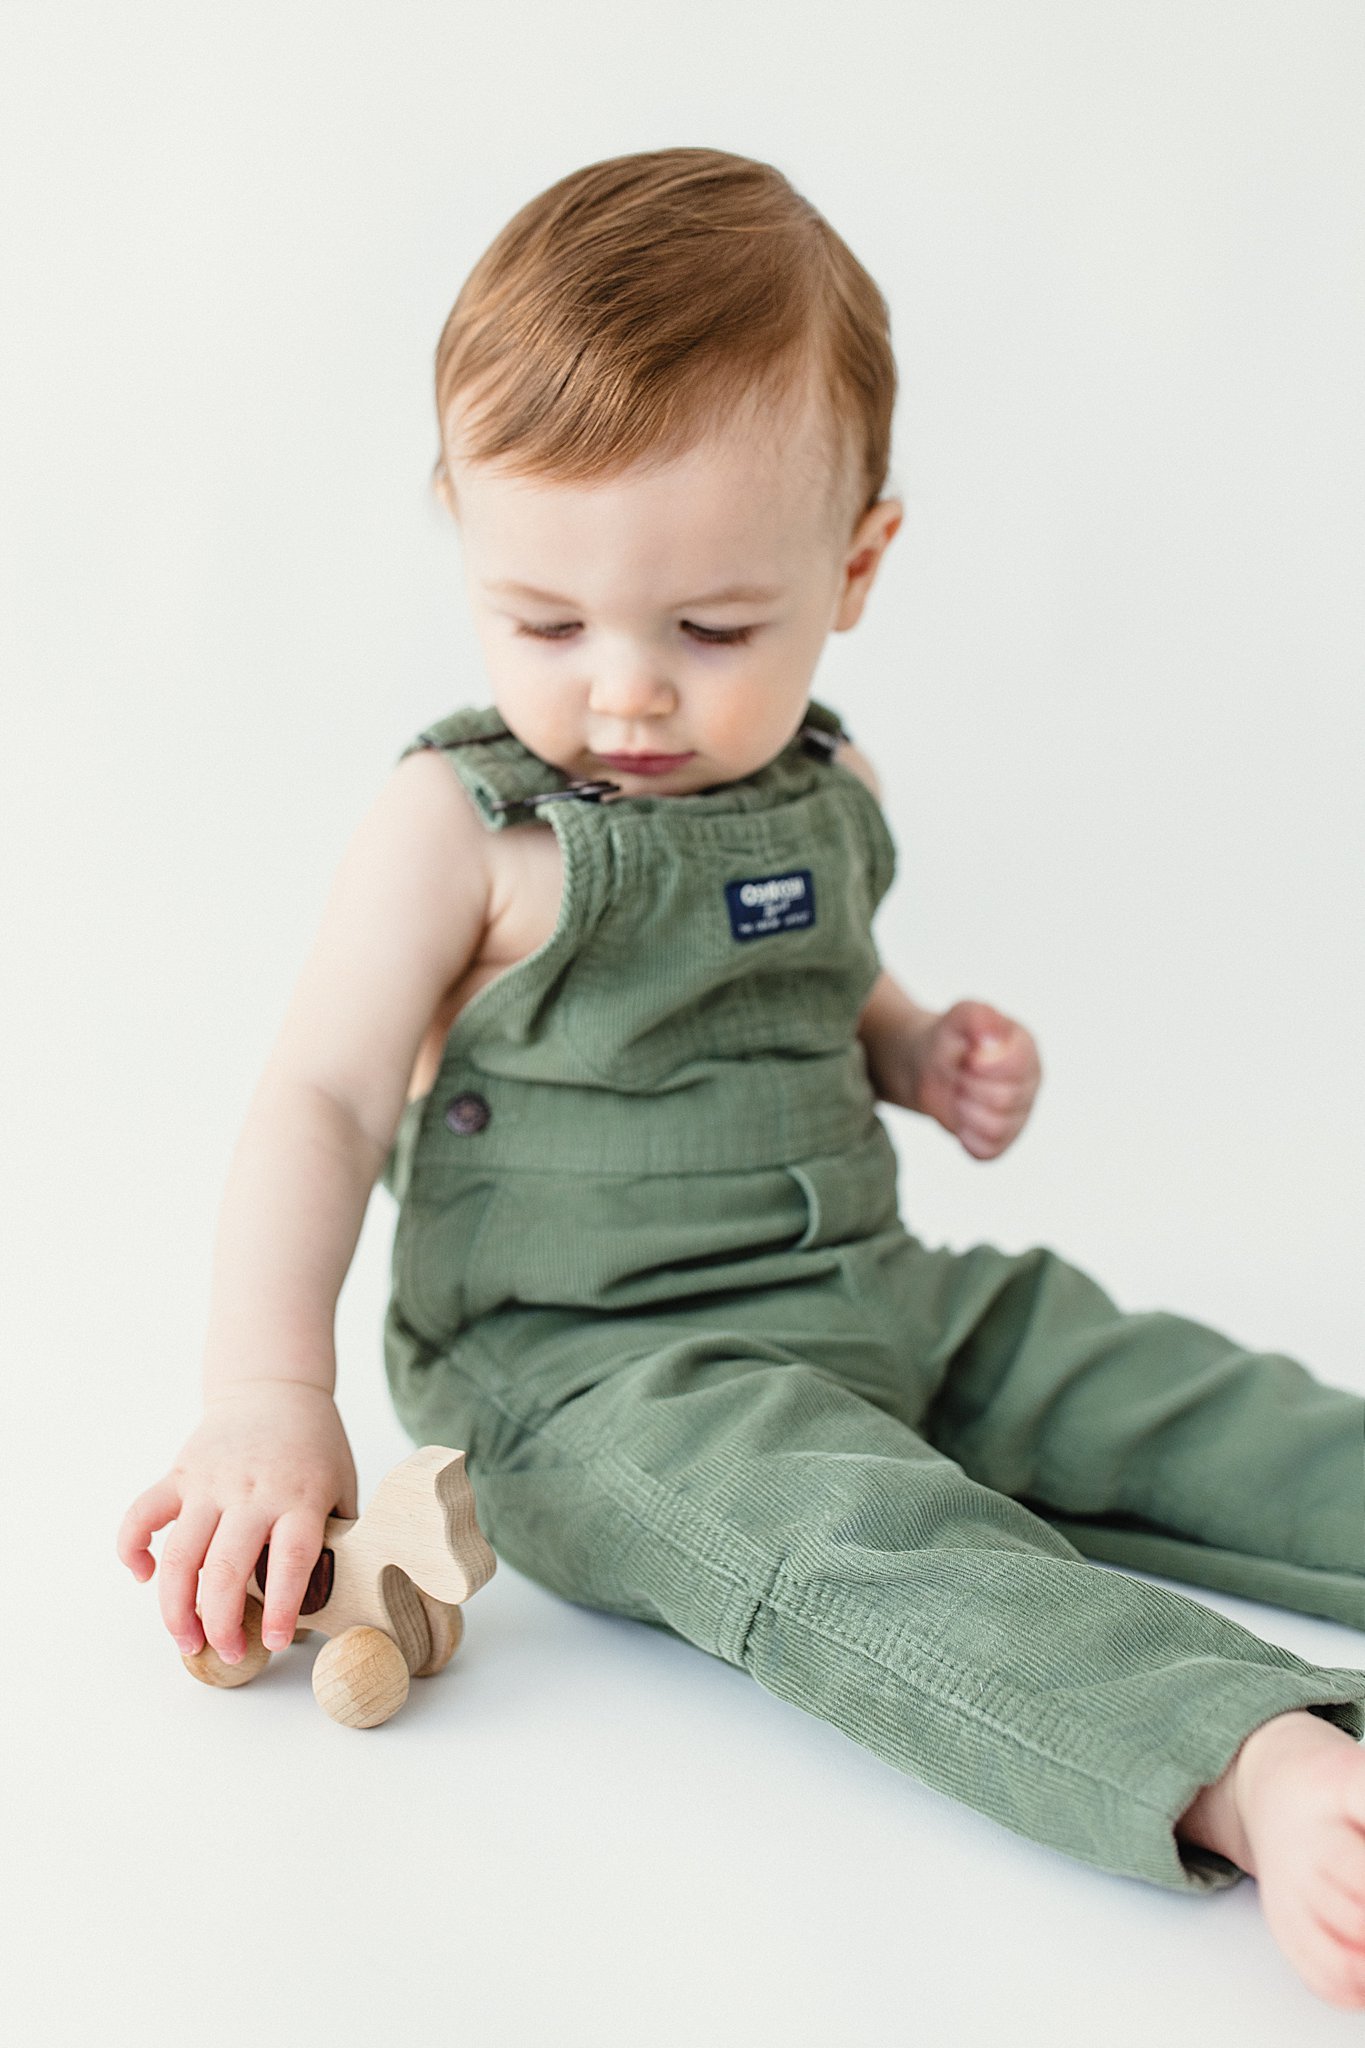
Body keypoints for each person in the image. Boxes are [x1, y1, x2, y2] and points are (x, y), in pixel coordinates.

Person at [117, 148, 1365, 2009]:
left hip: (872, 1291)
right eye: (544, 623)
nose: (624, 693)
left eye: (709, 632)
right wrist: (262, 1395)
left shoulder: (831, 788)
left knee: (1168, 1389)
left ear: (854, 565)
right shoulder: (458, 831)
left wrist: (918, 1052)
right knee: (853, 1544)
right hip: (591, 1375)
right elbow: (316, 1095)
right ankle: (1238, 1759)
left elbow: (815, 977)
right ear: (460, 529)